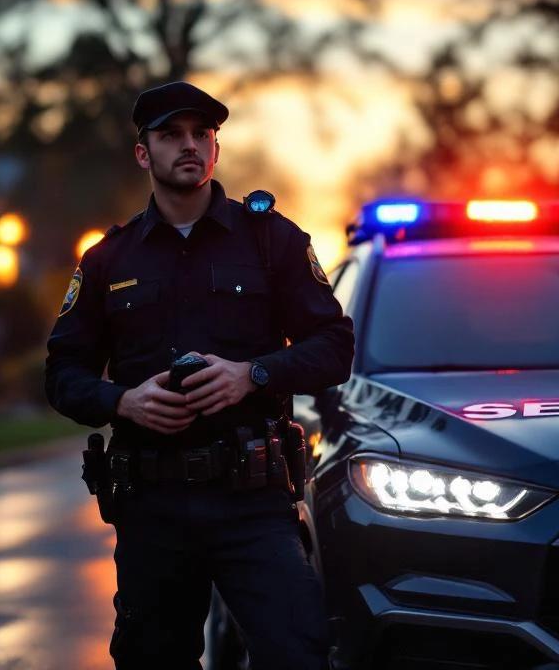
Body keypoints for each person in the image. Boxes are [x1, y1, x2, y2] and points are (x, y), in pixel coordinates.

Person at [45, 81, 354, 670]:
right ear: (144, 153)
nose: (189, 145)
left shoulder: (272, 240)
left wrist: (255, 373)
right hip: (152, 504)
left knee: (298, 652)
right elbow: (62, 372)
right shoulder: (109, 259)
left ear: (215, 148)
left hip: (252, 502)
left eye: (201, 134)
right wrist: (121, 402)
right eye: (170, 135)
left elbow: (334, 346)